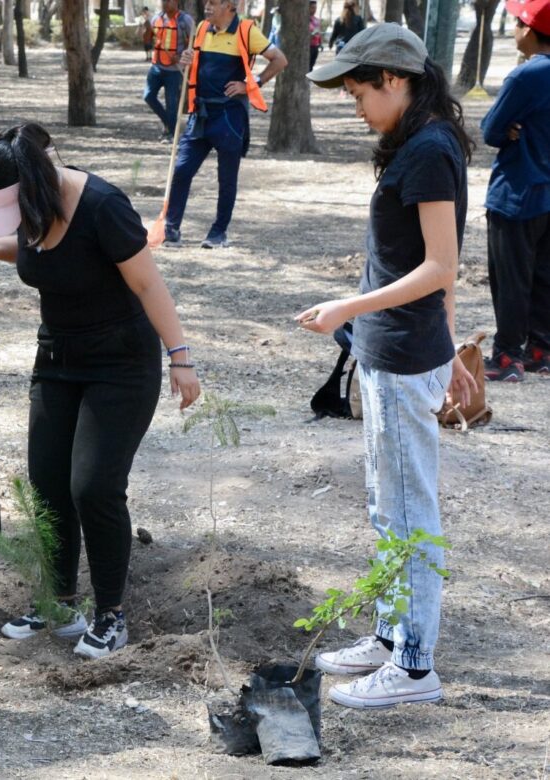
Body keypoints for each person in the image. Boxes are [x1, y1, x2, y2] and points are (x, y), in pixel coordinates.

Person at [0, 123, 201, 660]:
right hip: (57, 359)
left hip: (121, 364)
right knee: (47, 481)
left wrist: (180, 357)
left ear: (35, 188)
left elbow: (147, 283)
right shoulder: (34, 212)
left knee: (93, 487)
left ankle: (111, 614)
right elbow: (32, 251)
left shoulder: (103, 206)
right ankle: (60, 601)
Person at [300, 23, 476, 709]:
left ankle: (412, 667)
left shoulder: (431, 150)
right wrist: (453, 344)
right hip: (396, 349)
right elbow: (438, 271)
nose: (354, 103)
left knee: (409, 512)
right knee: (387, 507)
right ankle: (389, 633)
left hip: (401, 356)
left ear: (394, 80)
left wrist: (348, 305)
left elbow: (442, 264)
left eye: (359, 90)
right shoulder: (415, 142)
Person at [162, 0, 287, 249]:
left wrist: (252, 83)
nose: (207, 7)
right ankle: (171, 228)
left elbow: (279, 60)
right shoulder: (200, 28)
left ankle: (218, 232)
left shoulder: (246, 30)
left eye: (213, 3)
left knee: (226, 178)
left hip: (229, 117)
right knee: (182, 170)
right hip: (201, 113)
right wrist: (185, 60)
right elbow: (188, 66)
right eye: (206, 3)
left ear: (230, 6)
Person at [480, 0, 550, 381]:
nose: (515, 31)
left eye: (518, 24)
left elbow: (491, 130)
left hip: (517, 192)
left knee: (511, 276)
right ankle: (541, 350)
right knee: (543, 275)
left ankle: (508, 356)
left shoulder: (526, 76)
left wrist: (509, 129)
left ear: (530, 31)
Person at [143, 0, 196, 140]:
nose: (165, 3)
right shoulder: (156, 18)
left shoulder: (186, 20)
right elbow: (147, 40)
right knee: (148, 96)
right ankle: (169, 124)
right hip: (156, 67)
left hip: (174, 70)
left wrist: (180, 56)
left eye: (169, 1)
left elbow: (195, 43)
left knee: (172, 104)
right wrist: (148, 29)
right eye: (163, 1)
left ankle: (171, 134)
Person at [309, 0, 322, 70]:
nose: (314, 10)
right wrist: (312, 34)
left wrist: (320, 43)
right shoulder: (306, 20)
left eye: (315, 8)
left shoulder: (317, 20)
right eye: (312, 8)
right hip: (309, 46)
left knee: (312, 64)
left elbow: (319, 32)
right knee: (308, 65)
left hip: (315, 46)